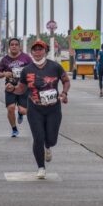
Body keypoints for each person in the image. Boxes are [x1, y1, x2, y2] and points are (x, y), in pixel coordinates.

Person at [6, 40, 70, 179]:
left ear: (45, 51)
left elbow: (66, 80)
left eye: (40, 49)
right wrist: (13, 89)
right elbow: (21, 89)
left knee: (51, 139)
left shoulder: (55, 67)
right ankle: (41, 167)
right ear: (31, 52)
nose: (37, 52)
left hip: (53, 109)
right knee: (38, 138)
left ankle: (48, 147)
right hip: (35, 109)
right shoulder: (27, 70)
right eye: (34, 49)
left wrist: (64, 93)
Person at [0, 38, 33, 137]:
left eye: (16, 44)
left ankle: (20, 114)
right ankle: (14, 129)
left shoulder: (26, 58)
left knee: (23, 111)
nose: (14, 46)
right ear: (9, 47)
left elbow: (33, 70)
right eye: (12, 44)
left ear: (19, 46)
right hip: (10, 87)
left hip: (23, 88)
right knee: (11, 108)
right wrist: (4, 74)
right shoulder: (5, 60)